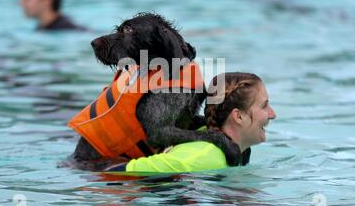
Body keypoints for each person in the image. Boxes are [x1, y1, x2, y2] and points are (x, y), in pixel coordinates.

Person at [111, 72, 276, 173]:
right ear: (238, 117)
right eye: (264, 105)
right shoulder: (201, 158)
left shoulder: (239, 149)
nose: (272, 114)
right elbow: (119, 172)